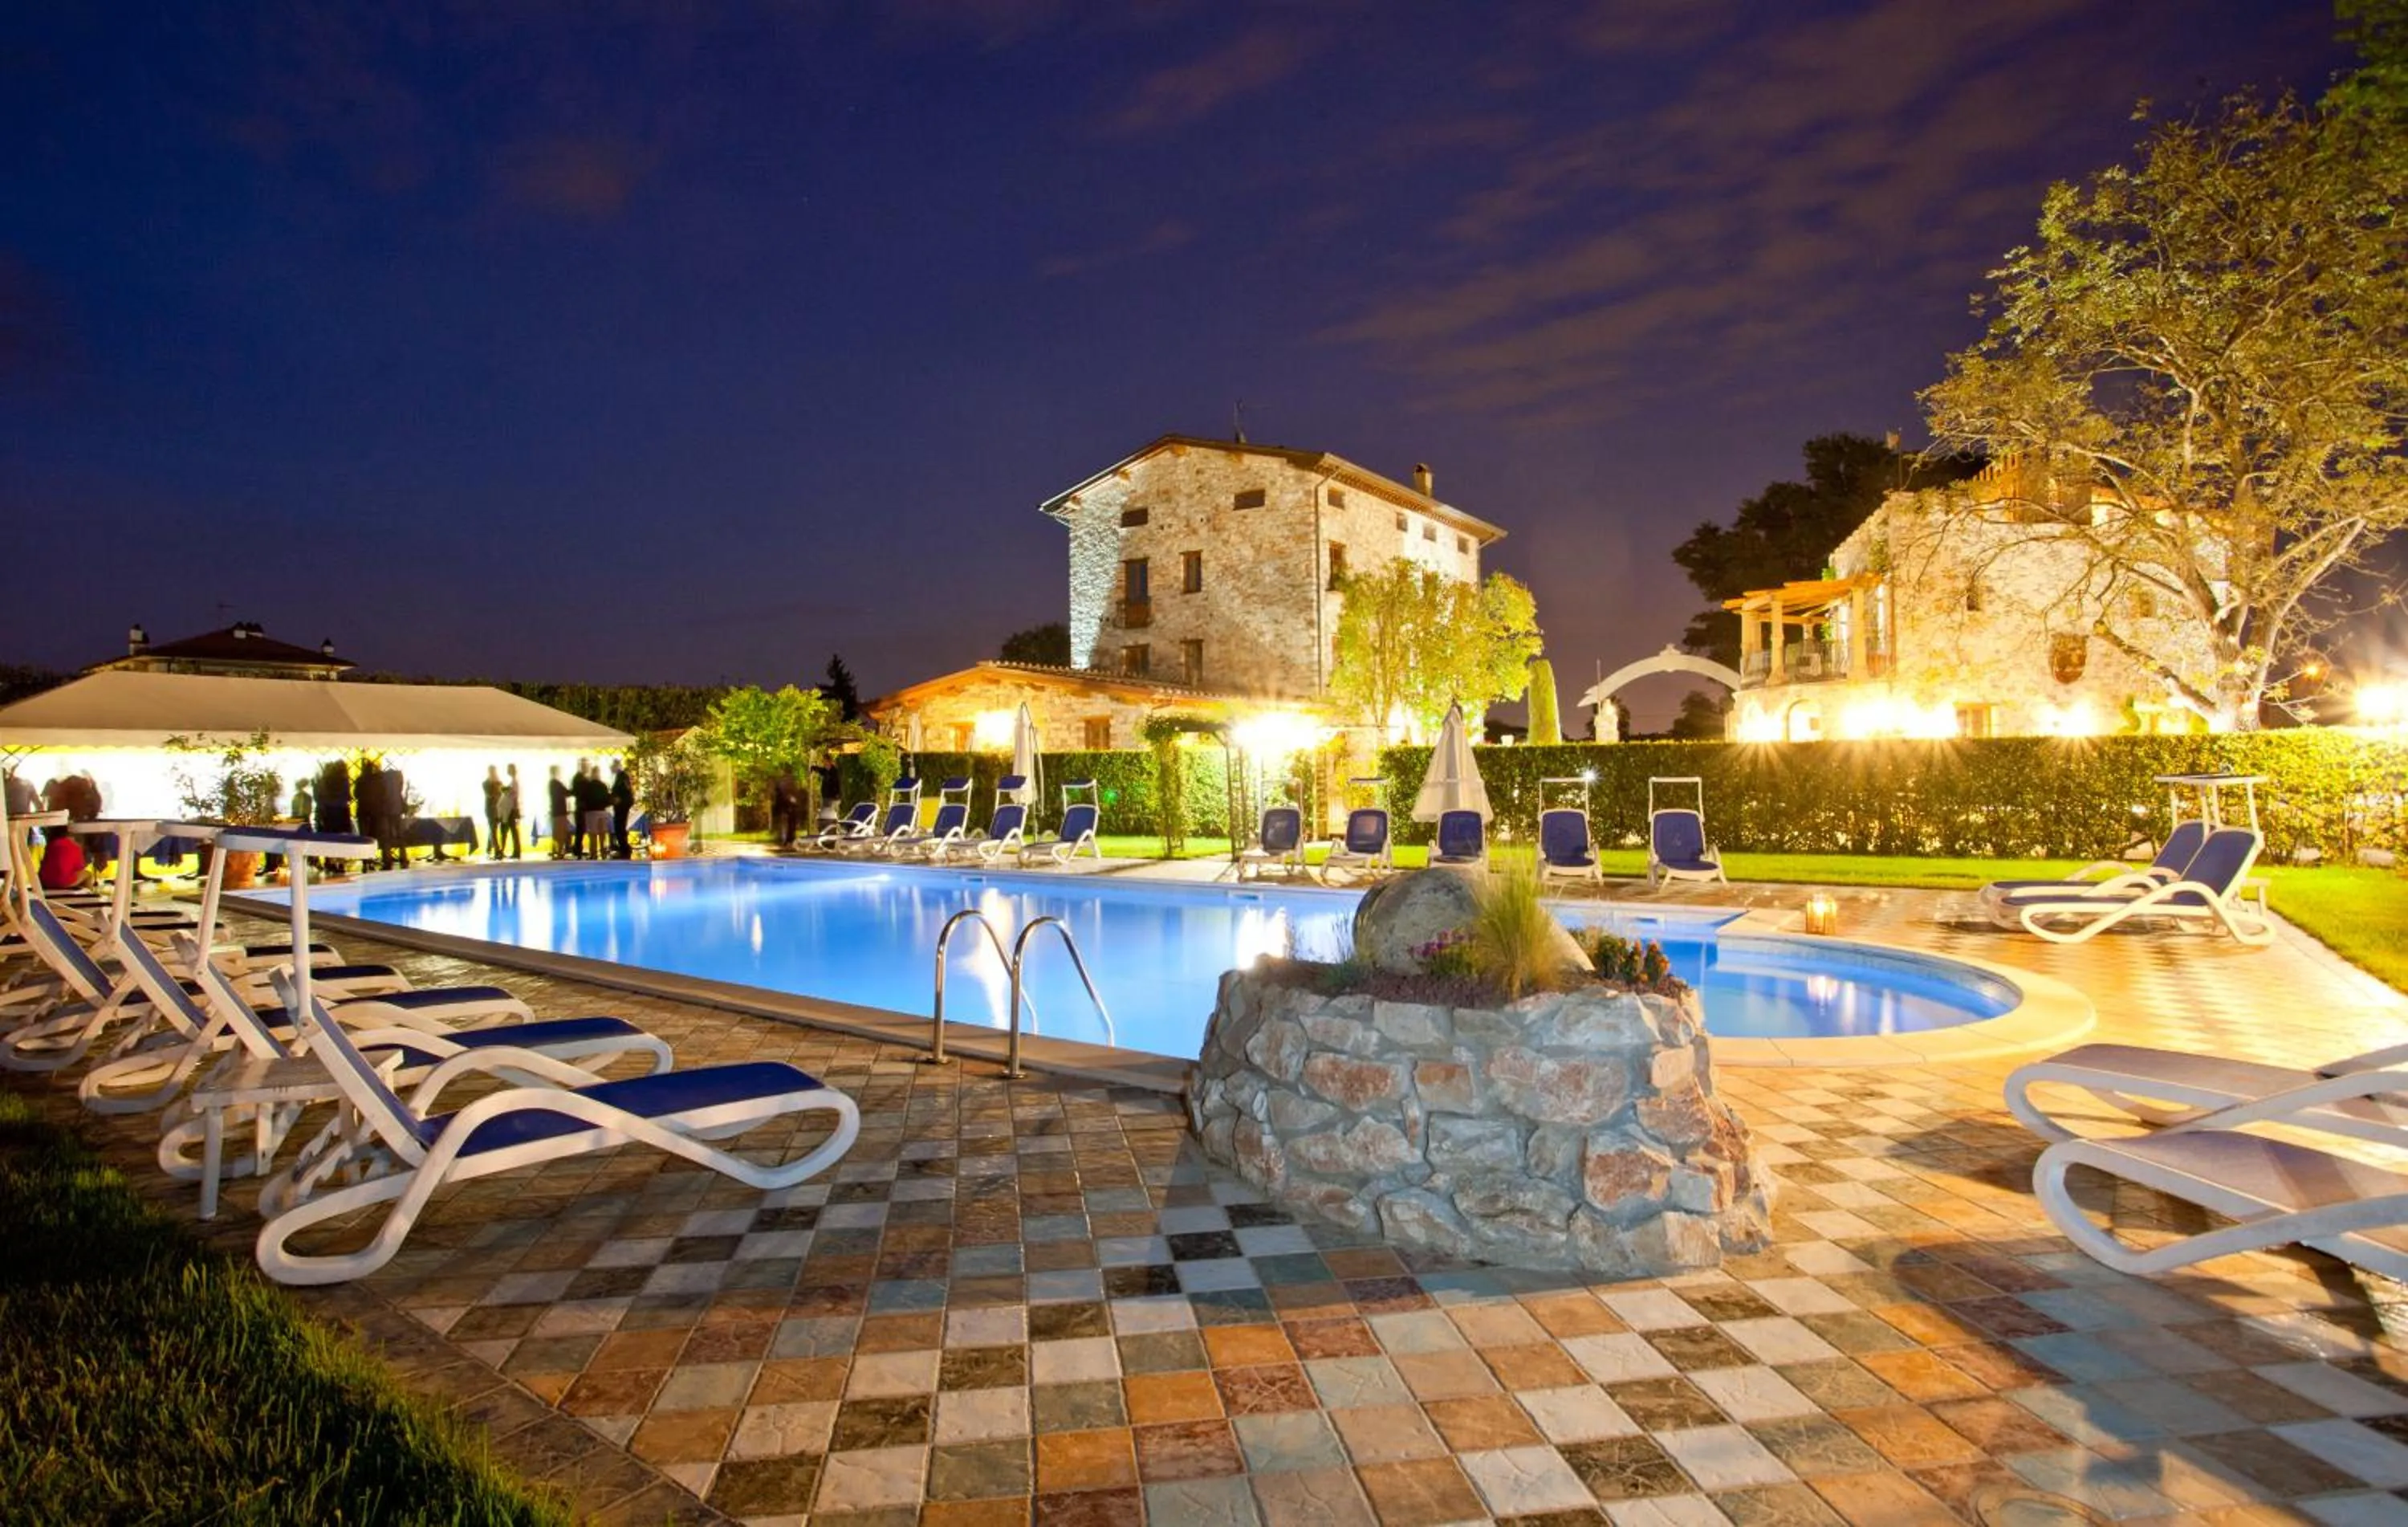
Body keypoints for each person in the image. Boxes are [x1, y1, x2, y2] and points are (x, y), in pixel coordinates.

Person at [573, 763, 611, 861]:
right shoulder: (603, 785)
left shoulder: (587, 786)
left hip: (591, 812)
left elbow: (583, 798)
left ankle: (594, 854)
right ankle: (603, 853)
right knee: (602, 834)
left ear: (592, 774)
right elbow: (607, 799)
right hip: (602, 812)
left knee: (593, 834)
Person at [608, 760, 635, 859]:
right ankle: (623, 848)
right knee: (620, 827)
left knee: (619, 827)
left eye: (612, 767)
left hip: (622, 806)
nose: (611, 769)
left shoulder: (622, 777)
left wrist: (617, 798)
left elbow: (625, 791)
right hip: (622, 805)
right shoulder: (621, 776)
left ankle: (624, 849)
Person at [498, 764, 523, 860]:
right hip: (510, 809)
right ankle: (515, 851)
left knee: (513, 831)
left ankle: (516, 852)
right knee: (513, 831)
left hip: (511, 809)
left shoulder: (514, 782)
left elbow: (513, 795)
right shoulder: (513, 781)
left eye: (509, 769)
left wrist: (504, 790)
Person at [482, 766, 506, 860]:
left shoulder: (499, 782)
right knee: (493, 830)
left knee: (493, 829)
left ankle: (488, 850)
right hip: (490, 809)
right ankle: (497, 850)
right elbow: (490, 795)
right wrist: (497, 788)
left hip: (498, 809)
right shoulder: (486, 783)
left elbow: (502, 794)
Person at [547, 764, 571, 858]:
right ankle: (560, 851)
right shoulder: (556, 783)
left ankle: (556, 851)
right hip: (560, 812)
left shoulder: (551, 783)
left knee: (556, 833)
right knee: (561, 833)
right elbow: (567, 792)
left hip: (555, 811)